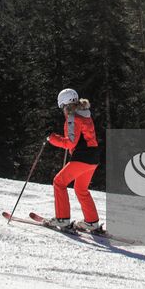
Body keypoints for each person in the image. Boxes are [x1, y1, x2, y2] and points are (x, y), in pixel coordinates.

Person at [45, 88, 102, 232]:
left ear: (65, 104)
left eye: (62, 107)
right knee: (80, 189)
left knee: (59, 182)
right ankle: (91, 222)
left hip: (82, 158)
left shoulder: (72, 118)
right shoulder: (85, 115)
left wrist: (52, 138)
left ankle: (62, 219)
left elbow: (70, 143)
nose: (62, 110)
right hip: (93, 157)